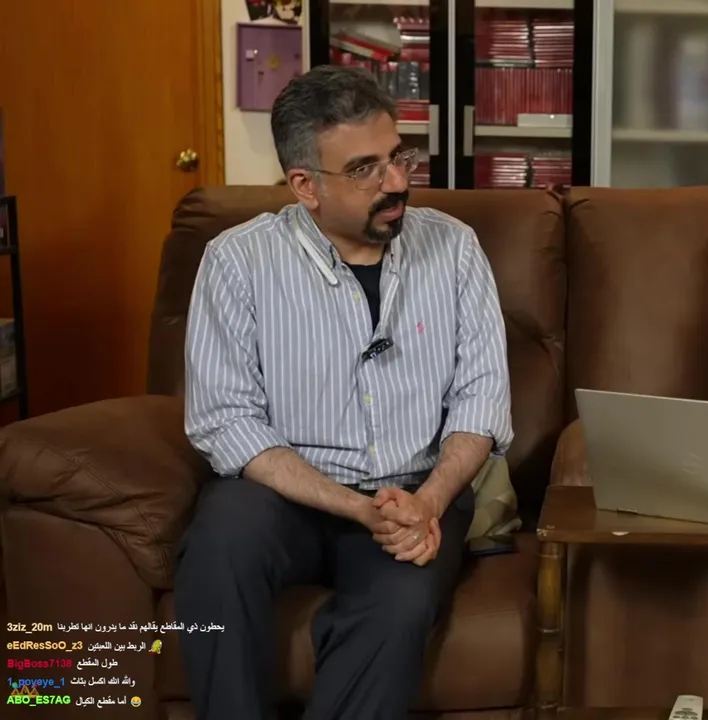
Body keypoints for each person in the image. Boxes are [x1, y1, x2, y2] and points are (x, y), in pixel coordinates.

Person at [174, 66, 513, 719]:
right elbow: (226, 420)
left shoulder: (455, 249)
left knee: (400, 603)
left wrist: (428, 503)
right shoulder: (237, 261)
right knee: (219, 544)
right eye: (364, 170)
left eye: (398, 157)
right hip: (283, 496)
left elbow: (481, 400)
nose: (396, 183)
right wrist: (356, 508)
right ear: (305, 185)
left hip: (414, 489)